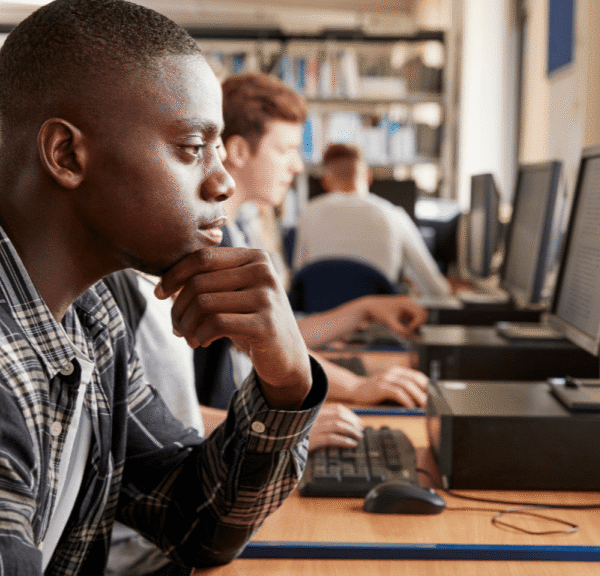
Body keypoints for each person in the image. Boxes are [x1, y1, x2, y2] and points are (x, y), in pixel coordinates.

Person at [0, 2, 327, 575]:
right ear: (67, 154)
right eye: (192, 148)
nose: (222, 182)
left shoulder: (88, 315)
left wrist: (287, 380)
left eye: (219, 151)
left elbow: (195, 522)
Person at [103, 268, 364, 575]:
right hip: (137, 552)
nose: (220, 220)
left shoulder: (116, 300)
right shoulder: (112, 294)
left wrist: (284, 398)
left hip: (170, 530)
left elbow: (192, 511)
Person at [217, 72, 431, 411]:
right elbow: (262, 348)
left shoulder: (235, 230)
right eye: (285, 150)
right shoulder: (213, 245)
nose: (298, 166)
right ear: (239, 151)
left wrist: (364, 308)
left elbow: (276, 336)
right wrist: (359, 387)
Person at [294, 141, 452, 298]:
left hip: (322, 320)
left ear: (324, 183)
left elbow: (299, 274)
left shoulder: (308, 213)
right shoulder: (394, 215)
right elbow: (436, 288)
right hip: (379, 320)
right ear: (368, 177)